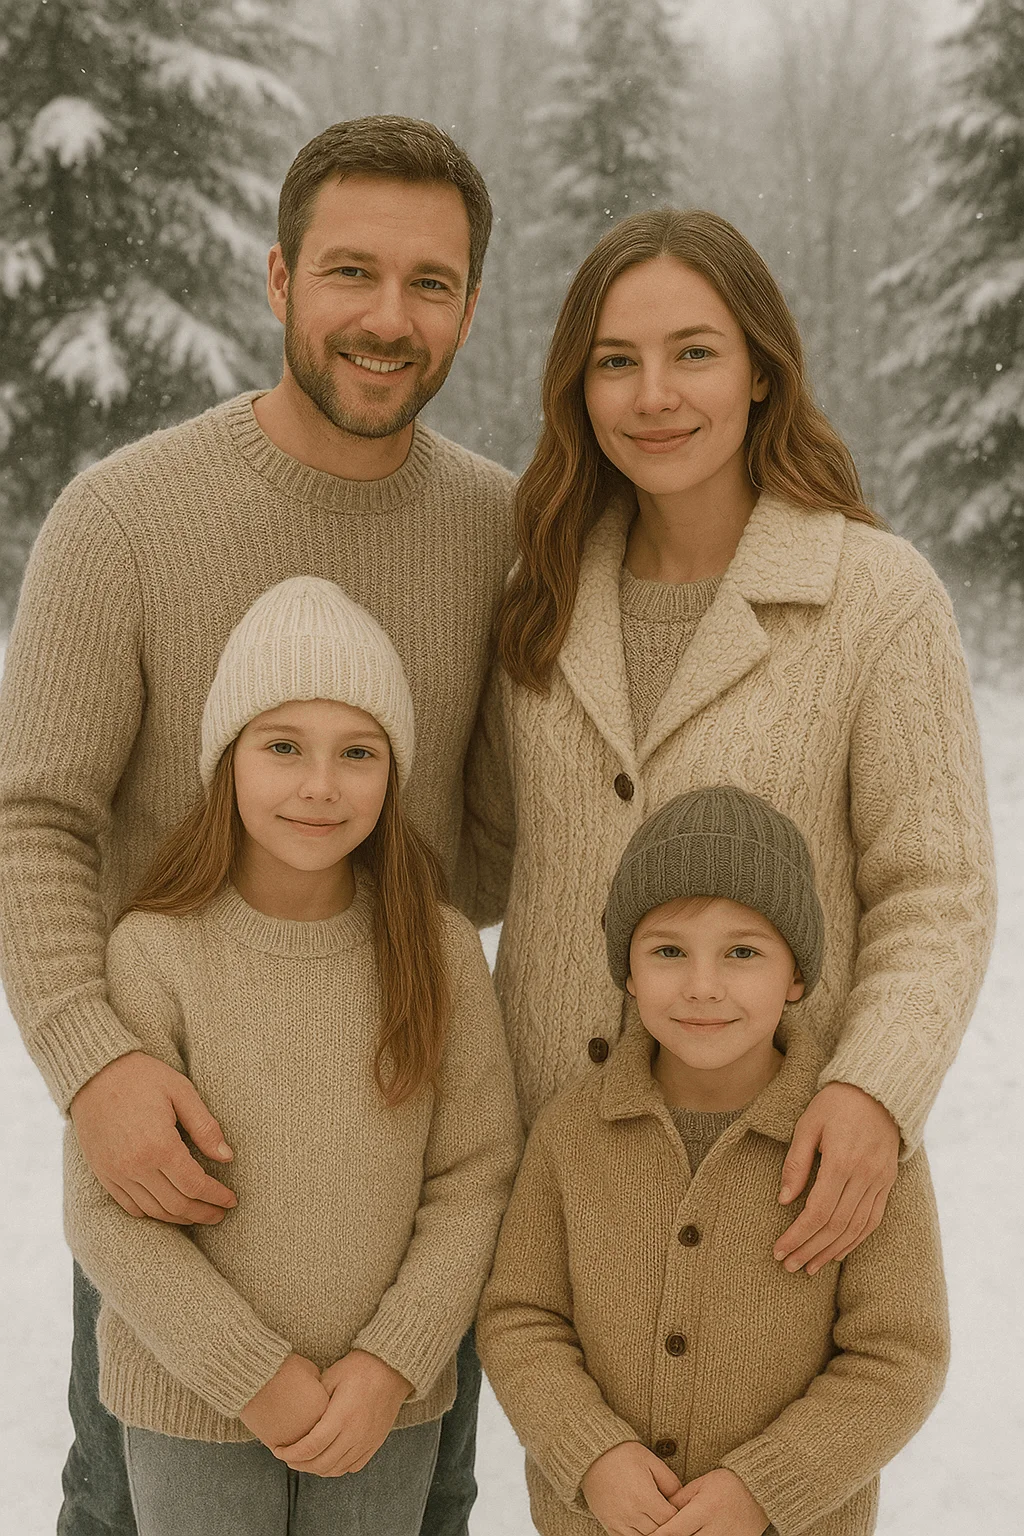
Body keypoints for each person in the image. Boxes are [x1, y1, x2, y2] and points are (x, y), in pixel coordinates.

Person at [0, 117, 516, 1536]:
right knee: (127, 1508)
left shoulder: (500, 528)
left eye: (431, 283)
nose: (387, 319)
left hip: (398, 1165)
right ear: (280, 278)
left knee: (418, 1505)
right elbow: (33, 815)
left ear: (470, 306)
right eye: (352, 271)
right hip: (180, 1163)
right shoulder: (122, 518)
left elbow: (522, 825)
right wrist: (92, 1064)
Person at [459, 207, 995, 1265]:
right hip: (553, 1186)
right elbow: (477, 858)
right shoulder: (538, 594)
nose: (652, 394)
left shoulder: (875, 599)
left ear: (759, 371)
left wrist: (873, 1093)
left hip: (778, 1169)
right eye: (616, 361)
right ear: (579, 387)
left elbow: (937, 892)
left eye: (692, 353)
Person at [63, 576, 522, 1536]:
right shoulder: (155, 949)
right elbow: (108, 1214)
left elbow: (475, 1175)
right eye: (283, 748)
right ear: (227, 761)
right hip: (195, 1406)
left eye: (358, 753)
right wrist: (254, 1375)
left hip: (383, 1409)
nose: (321, 785)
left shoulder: (435, 949)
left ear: (393, 774)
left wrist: (392, 1361)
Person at [477, 786, 949, 1536]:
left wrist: (764, 1488)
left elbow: (899, 1357)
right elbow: (520, 1317)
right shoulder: (571, 1130)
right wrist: (592, 1454)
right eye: (668, 951)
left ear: (797, 975)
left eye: (743, 952)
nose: (702, 985)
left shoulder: (855, 1148)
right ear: (627, 971)